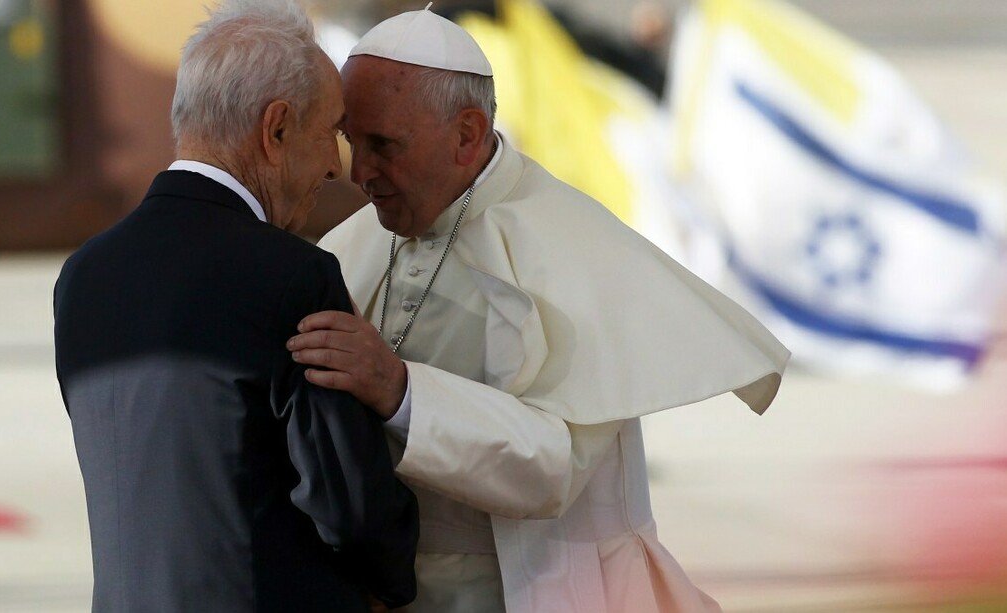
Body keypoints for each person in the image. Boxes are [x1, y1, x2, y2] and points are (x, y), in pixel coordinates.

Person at [286, 7, 789, 613]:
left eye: (384, 146)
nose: (359, 173)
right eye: (351, 141)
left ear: (467, 135)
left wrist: (399, 390)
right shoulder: (351, 244)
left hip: (538, 585)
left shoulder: (576, 249)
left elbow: (552, 467)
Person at [52, 1, 418, 611]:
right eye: (330, 131)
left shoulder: (83, 275)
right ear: (275, 130)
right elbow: (352, 510)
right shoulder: (293, 277)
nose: (336, 164)